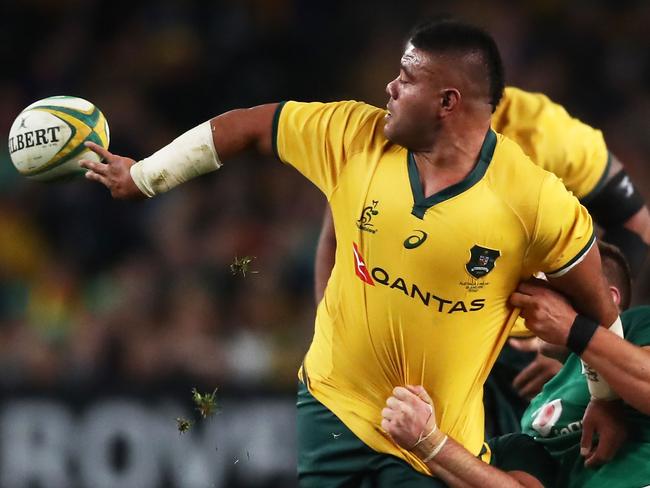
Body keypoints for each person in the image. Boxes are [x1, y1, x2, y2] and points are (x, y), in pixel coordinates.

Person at [80, 19, 621, 486]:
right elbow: (249, 125)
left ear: (446, 102)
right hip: (330, 407)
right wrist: (147, 176)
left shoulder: (534, 201)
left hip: (432, 441)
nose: (389, 85)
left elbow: (598, 306)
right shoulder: (353, 136)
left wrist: (604, 400)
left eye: (406, 78)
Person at [314, 84, 650, 437]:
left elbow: (635, 225)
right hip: (420, 338)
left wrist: (578, 347)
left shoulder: (544, 131)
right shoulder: (395, 133)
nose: (398, 88)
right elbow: (337, 235)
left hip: (523, 353)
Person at [382, 242, 650, 487]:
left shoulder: (638, 325)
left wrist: (573, 329)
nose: (535, 296)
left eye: (549, 286)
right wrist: (430, 442)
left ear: (611, 298)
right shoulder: (533, 411)